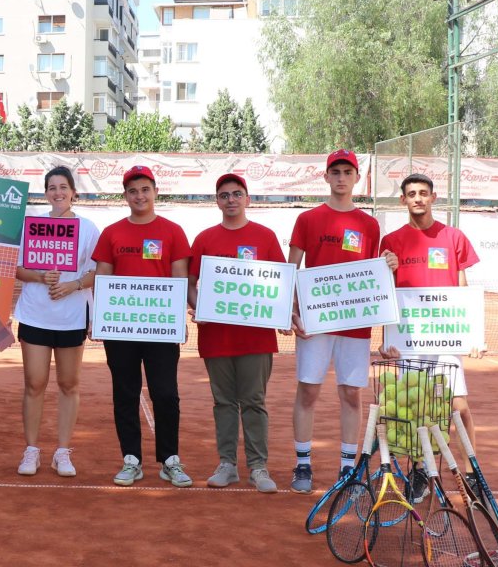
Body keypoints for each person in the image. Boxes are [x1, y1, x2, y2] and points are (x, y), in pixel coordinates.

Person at [287, 149, 397, 493]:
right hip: (314, 322)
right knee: (308, 390)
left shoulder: (369, 225)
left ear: (356, 178)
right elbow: (292, 269)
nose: (340, 177)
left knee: (351, 394)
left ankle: (348, 469)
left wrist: (387, 265)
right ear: (326, 177)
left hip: (355, 324)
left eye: (347, 171)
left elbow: (372, 276)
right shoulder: (307, 219)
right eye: (335, 171)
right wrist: (290, 311)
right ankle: (303, 464)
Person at [91, 165, 194, 488]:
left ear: (155, 192)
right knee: (125, 393)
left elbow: (180, 278)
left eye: (145, 189)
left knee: (166, 393)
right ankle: (131, 459)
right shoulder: (112, 233)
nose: (139, 195)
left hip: (161, 328)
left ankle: (170, 460)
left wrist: (178, 319)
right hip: (121, 329)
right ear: (125, 196)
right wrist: (101, 319)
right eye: (133, 191)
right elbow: (102, 279)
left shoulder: (173, 231)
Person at [379, 173, 482, 478]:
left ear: (433, 197)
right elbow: (384, 292)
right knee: (416, 409)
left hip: (446, 338)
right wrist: (386, 339)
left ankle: (471, 473)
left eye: (423, 193)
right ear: (403, 200)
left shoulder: (454, 238)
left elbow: (463, 289)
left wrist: (472, 335)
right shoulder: (391, 242)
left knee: (458, 407)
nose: (418, 199)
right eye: (412, 194)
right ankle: (420, 472)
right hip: (409, 339)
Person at [187, 174, 285, 493]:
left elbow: (281, 283)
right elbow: (189, 284)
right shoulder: (203, 239)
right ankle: (227, 464)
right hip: (216, 336)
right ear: (217, 201)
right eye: (224, 195)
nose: (231, 200)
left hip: (256, 337)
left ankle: (258, 466)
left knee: (254, 401)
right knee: (224, 402)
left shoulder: (265, 236)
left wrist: (284, 312)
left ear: (248, 198)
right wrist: (198, 307)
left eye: (236, 194)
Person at [13, 166, 98, 477]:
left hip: (72, 317)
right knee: (34, 384)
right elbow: (16, 267)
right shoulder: (30, 226)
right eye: (52, 188)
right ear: (46, 192)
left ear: (73, 192)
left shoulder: (88, 228)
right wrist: (39, 276)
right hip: (35, 314)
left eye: (64, 187)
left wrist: (73, 285)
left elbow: (98, 270)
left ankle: (62, 452)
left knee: (68, 384)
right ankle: (31, 450)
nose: (58, 193)